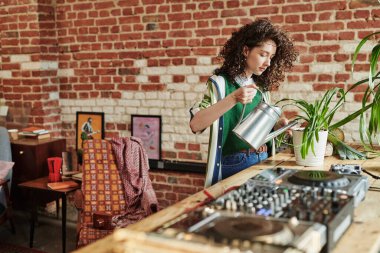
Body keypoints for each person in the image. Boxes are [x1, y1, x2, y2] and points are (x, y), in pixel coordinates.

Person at [189, 18, 298, 187]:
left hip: (264, 158)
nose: (268, 63)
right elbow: (196, 124)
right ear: (246, 51)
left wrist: (278, 126)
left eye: (271, 57)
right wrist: (233, 98)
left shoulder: (262, 87)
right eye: (263, 54)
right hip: (235, 163)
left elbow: (258, 129)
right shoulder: (220, 84)